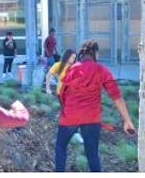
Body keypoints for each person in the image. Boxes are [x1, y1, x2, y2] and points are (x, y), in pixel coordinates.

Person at [54, 40, 135, 172]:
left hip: (70, 117)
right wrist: (127, 120)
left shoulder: (72, 69)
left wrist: (64, 111)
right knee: (92, 153)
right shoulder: (101, 70)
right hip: (92, 118)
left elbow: (61, 92)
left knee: (60, 147)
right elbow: (116, 96)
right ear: (95, 53)